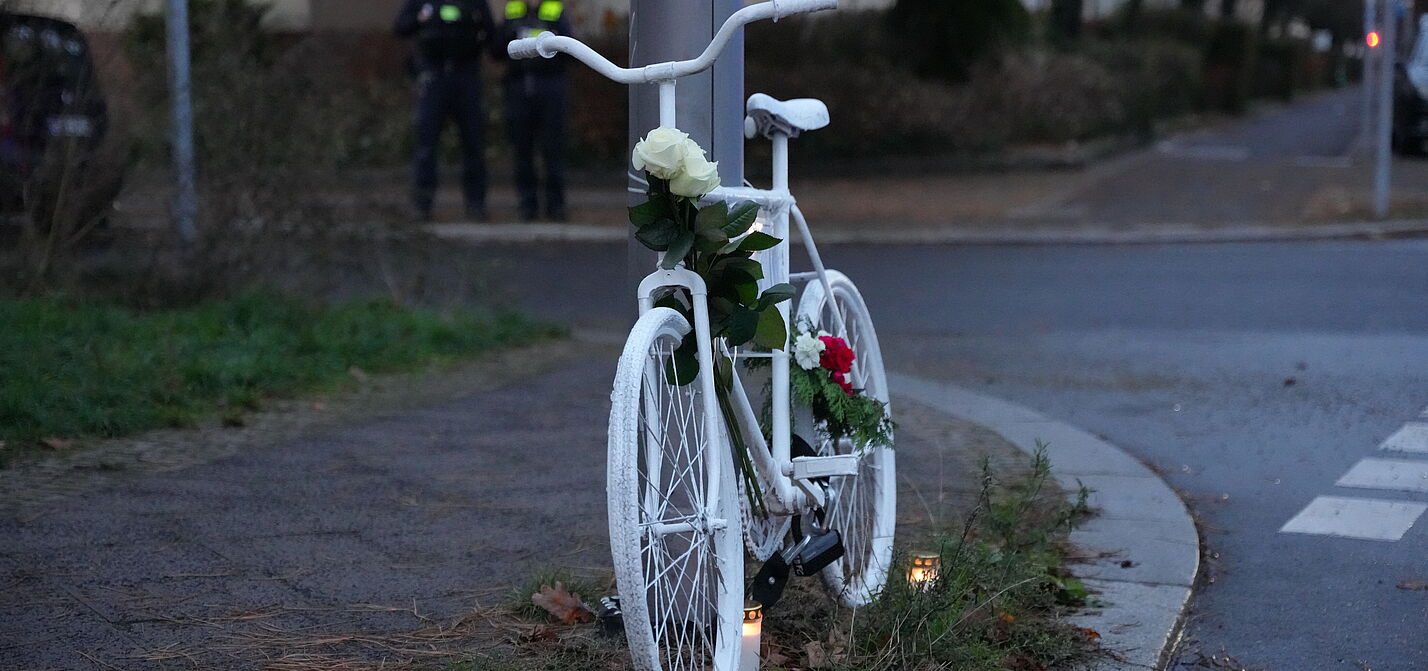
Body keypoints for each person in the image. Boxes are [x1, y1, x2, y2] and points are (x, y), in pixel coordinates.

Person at [394, 0, 498, 221]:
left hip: (466, 76)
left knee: (473, 144)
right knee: (426, 145)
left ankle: (476, 204)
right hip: (434, 75)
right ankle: (422, 204)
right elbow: (401, 27)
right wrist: (419, 19)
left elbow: (493, 38)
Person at [499, 0, 573, 221]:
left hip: (550, 86)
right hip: (519, 87)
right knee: (522, 150)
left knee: (553, 150)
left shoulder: (555, 10)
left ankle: (556, 205)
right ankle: (527, 204)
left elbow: (570, 49)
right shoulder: (512, 11)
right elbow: (497, 47)